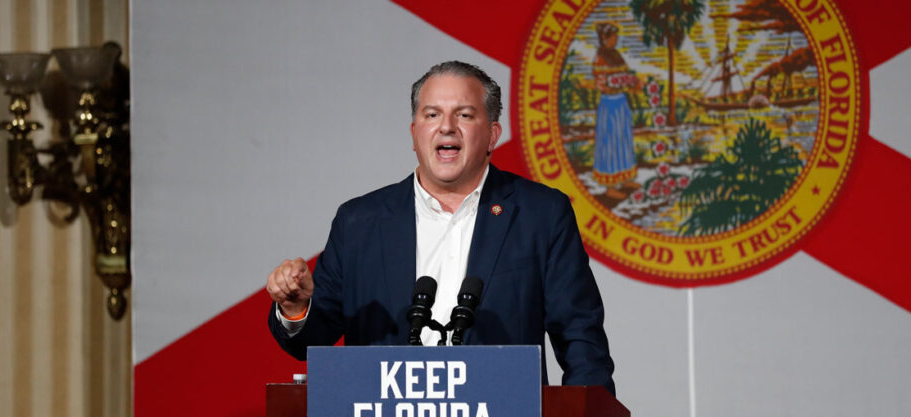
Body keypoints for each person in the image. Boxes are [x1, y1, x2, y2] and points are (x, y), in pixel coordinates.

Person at [266, 61, 615, 395]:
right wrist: (296, 309)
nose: (446, 126)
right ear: (415, 133)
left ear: (493, 134)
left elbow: (581, 339)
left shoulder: (540, 213)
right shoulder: (359, 222)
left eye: (464, 115)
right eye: (432, 115)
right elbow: (310, 341)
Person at [592, 23, 638, 199]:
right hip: (610, 105)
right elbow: (602, 83)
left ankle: (626, 179)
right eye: (613, 37)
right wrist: (618, 83)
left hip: (621, 103)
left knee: (624, 140)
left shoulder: (616, 55)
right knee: (610, 143)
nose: (616, 39)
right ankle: (611, 187)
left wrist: (631, 83)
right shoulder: (600, 57)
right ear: (605, 38)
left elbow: (626, 75)